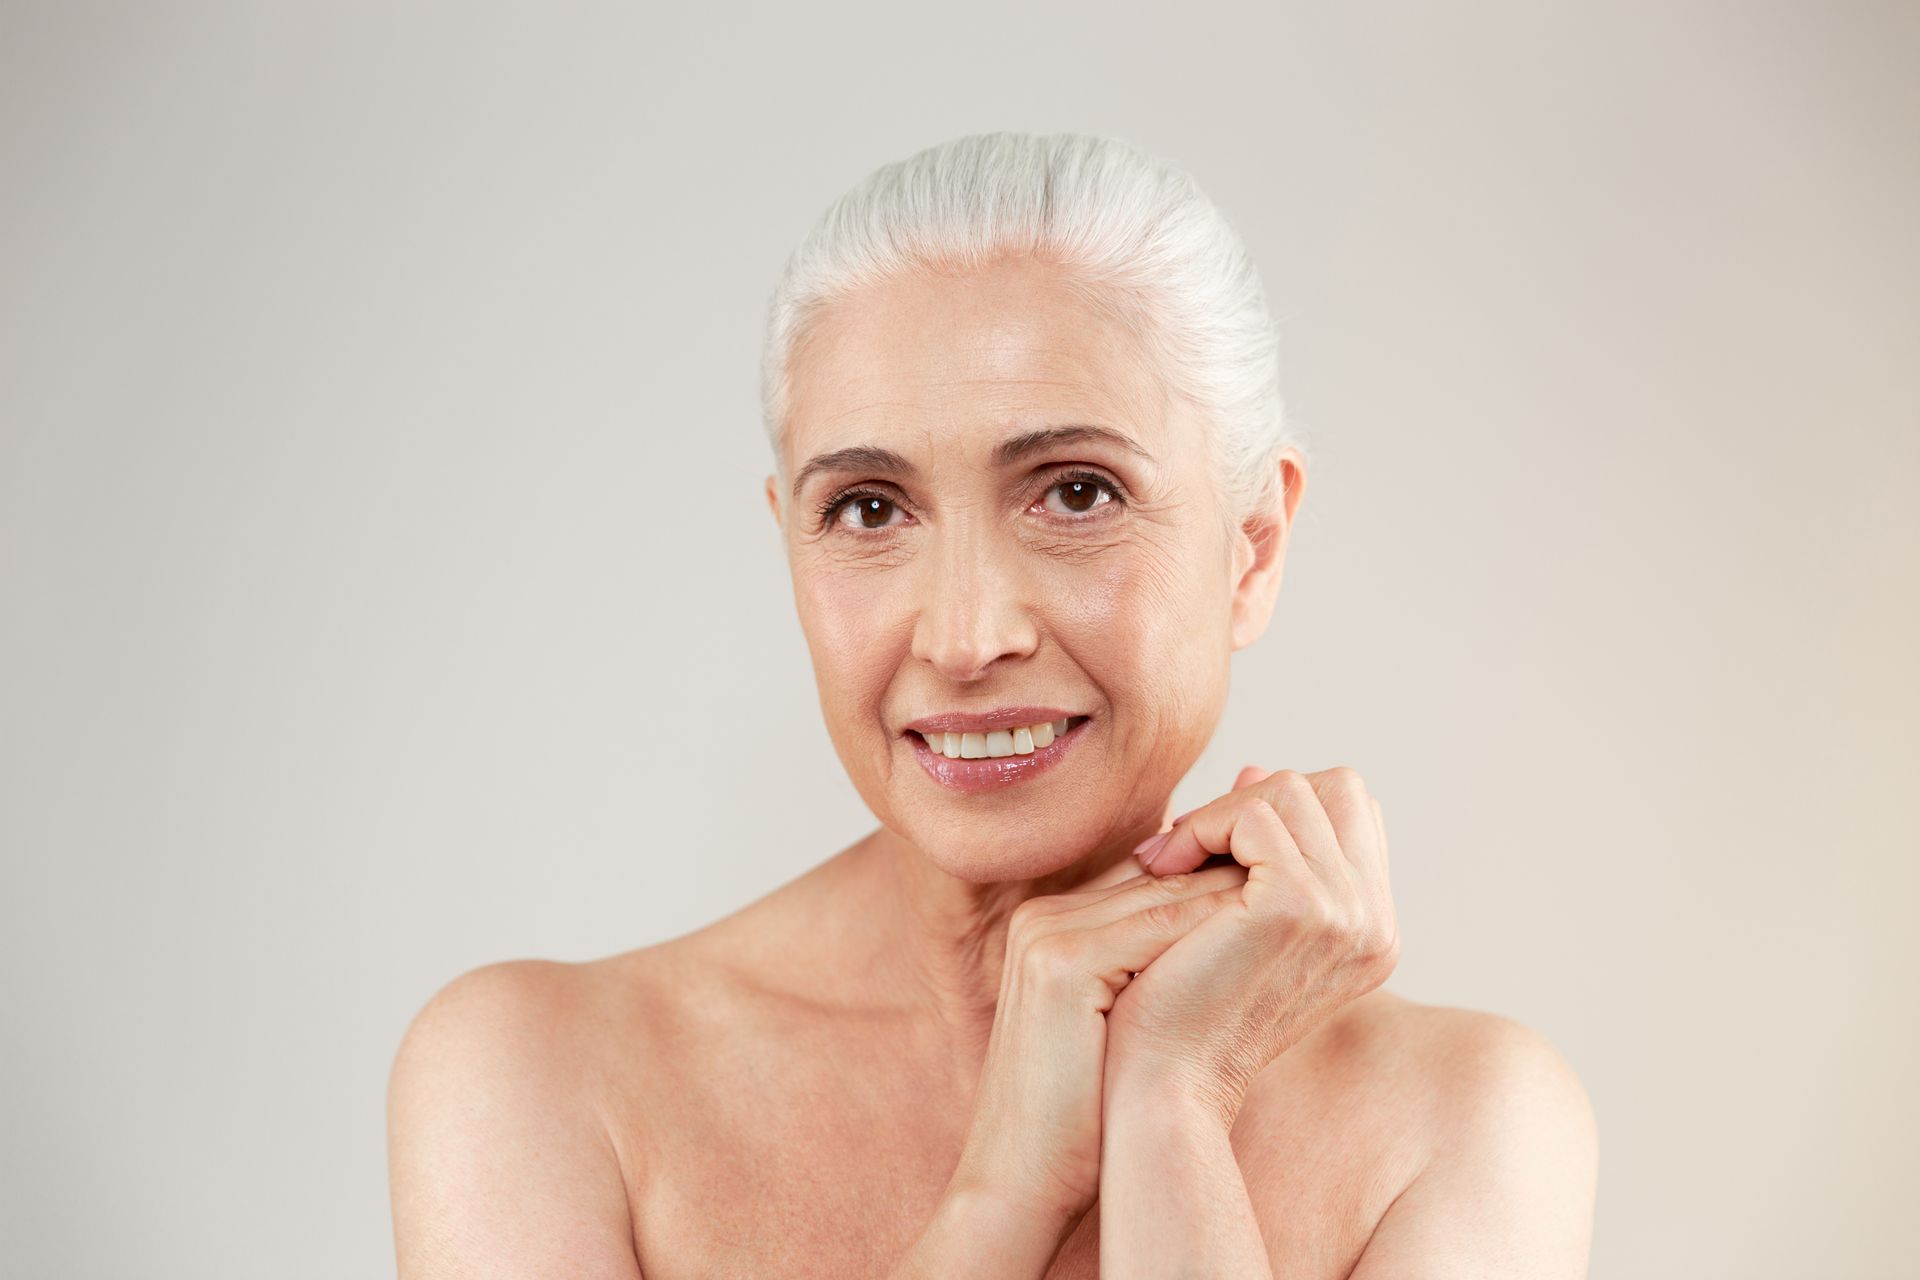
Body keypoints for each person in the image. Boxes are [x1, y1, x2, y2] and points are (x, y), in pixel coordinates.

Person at [386, 131, 1598, 1278]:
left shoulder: (1463, 1120)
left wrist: (1175, 1095)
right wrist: (1005, 1193)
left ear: (1254, 546)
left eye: (1076, 492)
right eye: (869, 509)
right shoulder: (540, 1077)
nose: (966, 638)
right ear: (789, 549)